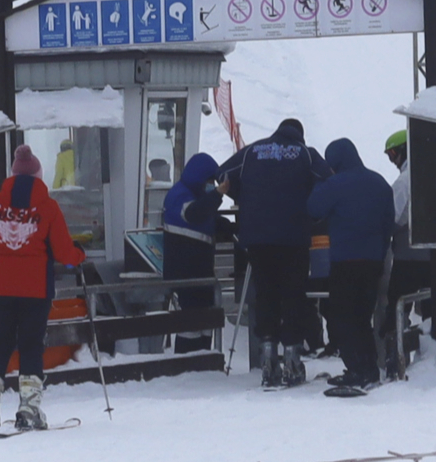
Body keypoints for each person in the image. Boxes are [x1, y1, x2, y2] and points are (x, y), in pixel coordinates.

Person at [0, 144, 86, 432]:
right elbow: (63, 251)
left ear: (12, 175)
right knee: (31, 346)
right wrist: (79, 256)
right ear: (38, 176)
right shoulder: (48, 207)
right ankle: (29, 409)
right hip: (35, 290)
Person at [218, 118, 332, 387]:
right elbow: (328, 180)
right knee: (293, 294)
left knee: (266, 294)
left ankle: (268, 359)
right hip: (293, 237)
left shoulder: (252, 151)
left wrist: (244, 197)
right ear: (299, 135)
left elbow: (222, 174)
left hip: (257, 238)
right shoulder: (304, 153)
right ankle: (292, 357)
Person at [306, 138, 395, 395]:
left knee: (340, 318)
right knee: (362, 317)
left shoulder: (335, 184)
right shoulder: (380, 183)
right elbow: (388, 222)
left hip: (345, 260)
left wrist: (322, 182)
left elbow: (313, 207)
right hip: (373, 261)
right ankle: (369, 368)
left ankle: (356, 369)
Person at [162, 152, 228, 354]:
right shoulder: (179, 195)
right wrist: (217, 194)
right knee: (191, 322)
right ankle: (187, 363)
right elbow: (195, 214)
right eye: (209, 181)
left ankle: (204, 360)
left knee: (205, 320)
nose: (210, 185)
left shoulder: (197, 197)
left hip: (201, 271)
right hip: (185, 272)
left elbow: (210, 219)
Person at [383, 129, 430, 373]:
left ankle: (395, 358)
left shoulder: (404, 181)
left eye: (393, 154)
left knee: (397, 306)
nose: (393, 161)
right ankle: (433, 355)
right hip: (435, 256)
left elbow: (393, 217)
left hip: (408, 256)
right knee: (432, 307)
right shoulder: (434, 173)